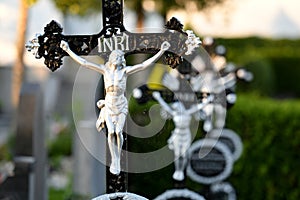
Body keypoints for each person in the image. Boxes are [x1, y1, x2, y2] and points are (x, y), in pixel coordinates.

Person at [60, 40, 170, 175]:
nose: (118, 59)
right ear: (112, 59)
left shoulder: (124, 71)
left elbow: (142, 66)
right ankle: (114, 159)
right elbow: (85, 63)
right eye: (116, 57)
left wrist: (161, 51)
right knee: (111, 132)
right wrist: (68, 50)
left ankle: (117, 158)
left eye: (120, 58)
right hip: (109, 104)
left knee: (118, 132)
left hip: (121, 104)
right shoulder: (104, 70)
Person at [152, 91, 213, 181]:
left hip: (186, 134)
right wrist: (158, 98)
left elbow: (199, 107)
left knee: (184, 154)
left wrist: (208, 100)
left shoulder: (188, 112)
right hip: (177, 134)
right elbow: (165, 106)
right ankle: (177, 170)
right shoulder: (174, 113)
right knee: (177, 154)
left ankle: (181, 170)